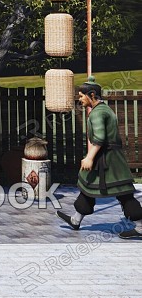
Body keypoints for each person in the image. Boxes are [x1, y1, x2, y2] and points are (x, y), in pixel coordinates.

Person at [56, 77, 142, 239]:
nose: (80, 99)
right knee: (88, 186)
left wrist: (89, 157)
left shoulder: (97, 114)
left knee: (124, 193)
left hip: (110, 160)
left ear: (92, 95)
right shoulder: (104, 110)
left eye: (82, 96)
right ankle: (76, 220)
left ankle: (140, 227)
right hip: (105, 158)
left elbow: (100, 137)